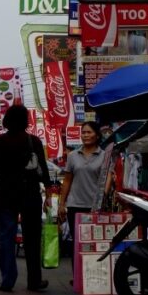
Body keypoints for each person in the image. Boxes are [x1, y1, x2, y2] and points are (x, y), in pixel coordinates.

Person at [0, 104, 51, 293]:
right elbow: (43, 169)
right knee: (32, 238)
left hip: (6, 195)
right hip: (30, 193)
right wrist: (48, 191)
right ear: (25, 121)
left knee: (6, 237)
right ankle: (34, 280)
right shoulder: (33, 141)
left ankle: (8, 279)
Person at [59, 121, 106, 283]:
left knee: (94, 243)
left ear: (97, 135)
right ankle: (78, 277)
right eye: (83, 132)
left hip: (94, 206)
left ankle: (93, 276)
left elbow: (106, 181)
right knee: (77, 243)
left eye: (89, 132)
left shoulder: (104, 155)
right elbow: (67, 181)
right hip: (75, 205)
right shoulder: (73, 156)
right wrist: (62, 204)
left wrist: (103, 198)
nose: (85, 135)